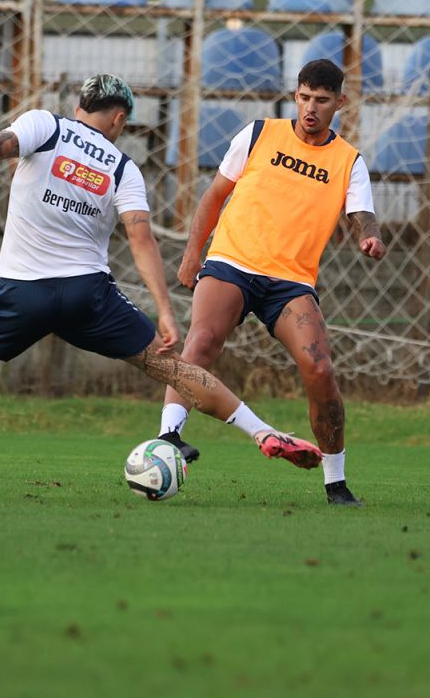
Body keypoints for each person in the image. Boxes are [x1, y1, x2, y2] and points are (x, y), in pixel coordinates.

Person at [0, 74, 321, 501]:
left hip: (23, 289)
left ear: (81, 106)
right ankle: (263, 431)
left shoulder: (46, 125)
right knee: (174, 370)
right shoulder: (122, 168)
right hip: (89, 295)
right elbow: (141, 239)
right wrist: (166, 312)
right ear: (119, 119)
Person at [158, 59, 387, 507]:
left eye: (322, 100)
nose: (311, 108)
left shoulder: (348, 161)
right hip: (231, 261)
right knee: (202, 340)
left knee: (319, 369)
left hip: (290, 281)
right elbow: (215, 195)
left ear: (340, 103)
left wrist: (370, 235)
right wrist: (192, 254)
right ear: (295, 95)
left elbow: (363, 214)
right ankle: (168, 438)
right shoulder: (259, 133)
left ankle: (335, 482)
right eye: (304, 97)